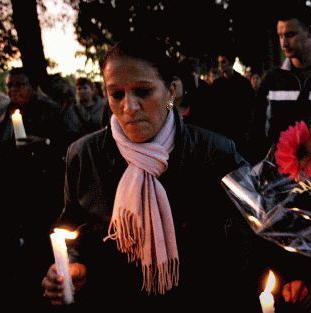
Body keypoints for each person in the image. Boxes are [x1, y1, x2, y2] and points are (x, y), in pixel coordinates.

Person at [41, 36, 260, 311]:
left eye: (142, 92)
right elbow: (72, 227)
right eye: (116, 94)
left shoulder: (216, 153)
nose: (129, 107)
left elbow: (252, 230)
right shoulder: (84, 156)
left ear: (170, 92)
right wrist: (72, 264)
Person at [0, 67, 67, 309]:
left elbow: (65, 143)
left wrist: (43, 143)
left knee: (41, 244)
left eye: (19, 85)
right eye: (9, 86)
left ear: (31, 86)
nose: (13, 90)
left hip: (42, 191)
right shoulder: (3, 113)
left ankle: (47, 287)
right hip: (13, 191)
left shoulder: (49, 111)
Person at [249, 3, 311, 164]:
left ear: (310, 32)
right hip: (283, 177)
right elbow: (258, 132)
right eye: (280, 36)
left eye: (290, 34)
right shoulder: (272, 80)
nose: (284, 43)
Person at [63, 77, 106, 144]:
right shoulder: (72, 110)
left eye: (85, 88)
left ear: (92, 90)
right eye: (79, 89)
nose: (82, 91)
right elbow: (70, 131)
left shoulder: (103, 106)